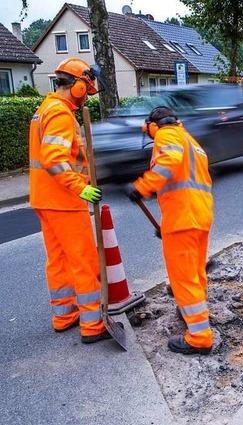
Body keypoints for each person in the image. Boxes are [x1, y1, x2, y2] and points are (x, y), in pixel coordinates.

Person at [29, 58, 111, 343]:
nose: (86, 94)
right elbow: (54, 160)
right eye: (86, 88)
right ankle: (92, 324)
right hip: (64, 200)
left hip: (45, 198)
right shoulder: (61, 115)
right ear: (76, 86)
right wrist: (81, 188)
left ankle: (64, 315)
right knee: (84, 259)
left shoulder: (44, 110)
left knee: (59, 260)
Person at [125, 106, 217, 354]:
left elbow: (168, 162)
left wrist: (142, 186)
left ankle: (199, 337)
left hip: (183, 219)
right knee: (195, 272)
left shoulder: (166, 134)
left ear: (153, 125)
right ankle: (194, 312)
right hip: (199, 216)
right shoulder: (190, 140)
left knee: (183, 278)